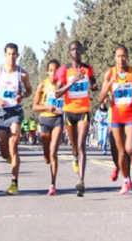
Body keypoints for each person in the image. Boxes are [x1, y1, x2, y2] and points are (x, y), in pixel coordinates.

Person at [0, 43, 32, 195]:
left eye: (14, 54)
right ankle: (8, 157)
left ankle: (14, 183)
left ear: (17, 56)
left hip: (15, 112)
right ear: (4, 55)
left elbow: (29, 89)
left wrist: (22, 96)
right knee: (4, 150)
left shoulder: (22, 74)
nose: (11, 57)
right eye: (9, 54)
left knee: (14, 145)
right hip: (1, 111)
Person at [99, 45, 132, 194]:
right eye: (118, 56)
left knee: (128, 148)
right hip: (115, 117)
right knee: (120, 152)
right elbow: (101, 97)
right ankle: (126, 181)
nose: (121, 59)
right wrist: (109, 83)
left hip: (129, 115)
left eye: (123, 56)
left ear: (127, 57)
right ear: (115, 58)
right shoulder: (110, 73)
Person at [54, 40, 98, 197]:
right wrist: (72, 81)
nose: (76, 52)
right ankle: (74, 156)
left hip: (83, 110)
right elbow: (57, 93)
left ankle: (81, 181)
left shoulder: (87, 68)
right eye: (73, 50)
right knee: (74, 147)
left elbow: (93, 81)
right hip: (69, 112)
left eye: (78, 50)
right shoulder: (63, 70)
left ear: (81, 51)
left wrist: (93, 85)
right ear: (69, 53)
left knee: (81, 145)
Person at [31, 59, 64, 195]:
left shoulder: (63, 85)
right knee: (47, 157)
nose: (53, 73)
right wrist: (47, 107)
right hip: (45, 120)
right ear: (47, 71)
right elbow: (34, 106)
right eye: (50, 70)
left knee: (53, 153)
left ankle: (52, 185)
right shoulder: (43, 85)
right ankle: (46, 157)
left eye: (55, 70)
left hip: (58, 120)